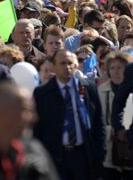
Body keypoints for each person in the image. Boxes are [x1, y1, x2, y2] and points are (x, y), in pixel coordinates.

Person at [33, 49, 106, 180]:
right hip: (56, 157)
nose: (67, 67)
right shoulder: (42, 93)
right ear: (54, 67)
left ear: (76, 65)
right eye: (62, 63)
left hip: (82, 155)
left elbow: (98, 121)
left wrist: (100, 153)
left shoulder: (89, 87)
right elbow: (38, 129)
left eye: (70, 63)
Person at [98, 51, 133, 180]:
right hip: (108, 152)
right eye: (112, 68)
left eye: (120, 68)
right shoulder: (101, 91)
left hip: (131, 150)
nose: (115, 72)